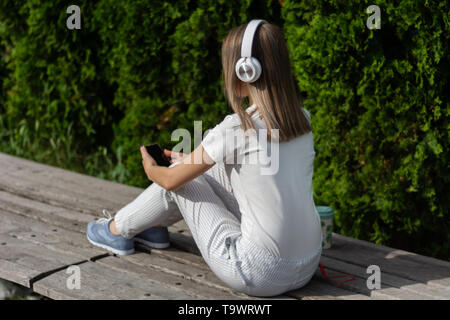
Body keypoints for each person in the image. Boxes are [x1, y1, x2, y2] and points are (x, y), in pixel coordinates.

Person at [86, 19, 322, 297]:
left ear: (245, 71)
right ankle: (154, 227)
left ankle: (116, 229)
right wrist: (192, 163)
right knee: (195, 170)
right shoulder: (302, 121)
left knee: (179, 178)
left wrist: (153, 169)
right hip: (308, 264)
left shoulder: (237, 128)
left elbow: (172, 181)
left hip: (258, 273)